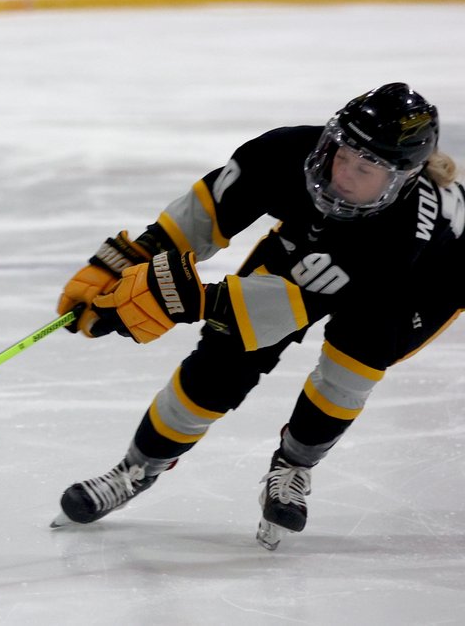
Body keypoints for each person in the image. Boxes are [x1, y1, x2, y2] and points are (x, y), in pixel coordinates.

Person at [50, 82, 460, 550]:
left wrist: (180, 298)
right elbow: (204, 215)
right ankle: (137, 468)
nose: (342, 173)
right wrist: (119, 265)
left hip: (421, 283)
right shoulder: (286, 151)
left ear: (399, 180)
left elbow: (285, 305)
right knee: (224, 359)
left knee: (351, 364)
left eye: (364, 168)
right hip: (321, 250)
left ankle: (293, 467)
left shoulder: (406, 227)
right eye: (342, 153)